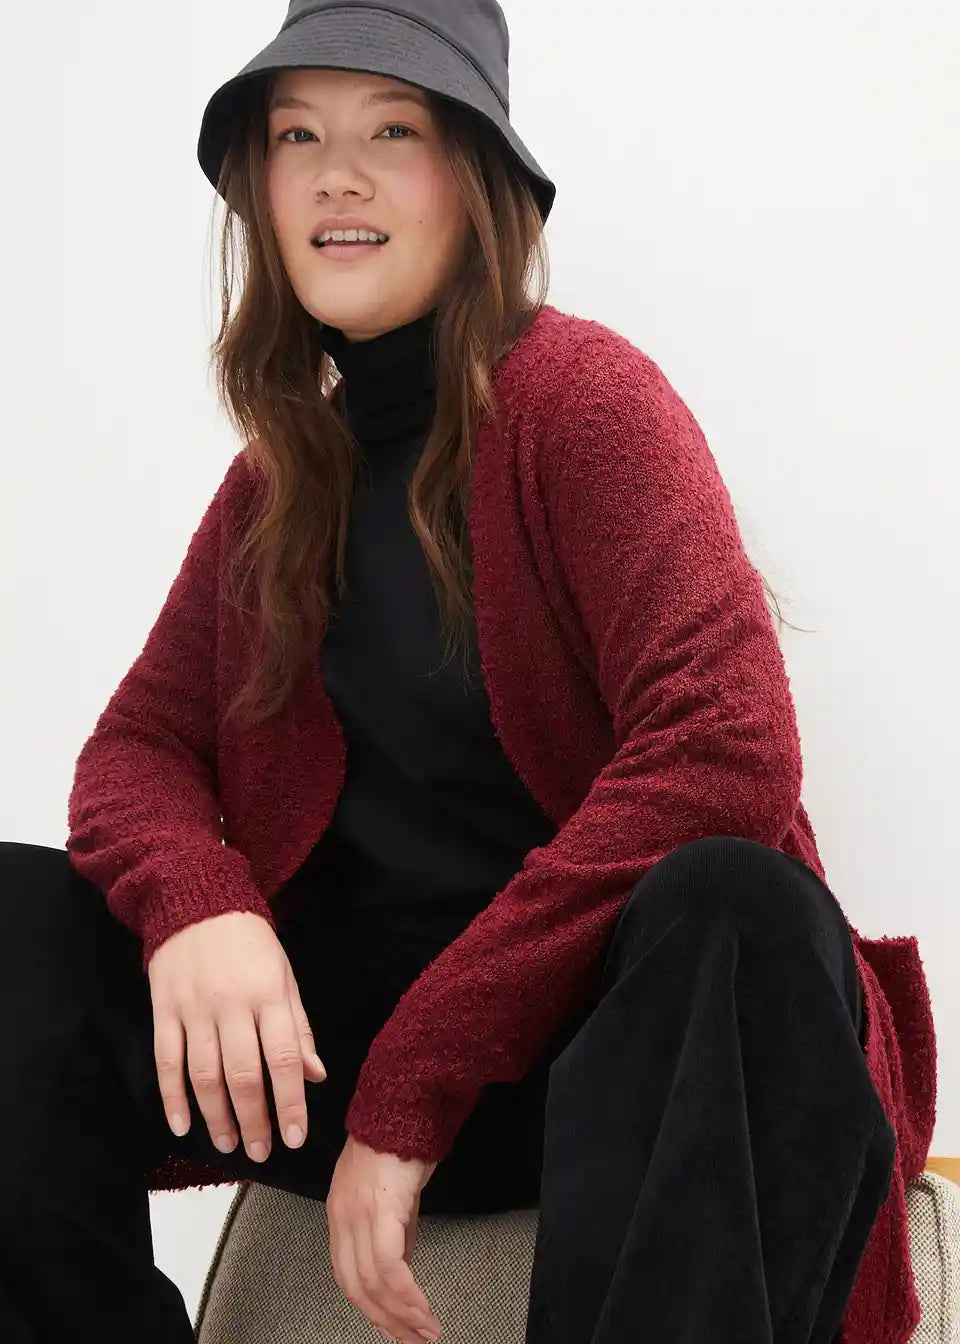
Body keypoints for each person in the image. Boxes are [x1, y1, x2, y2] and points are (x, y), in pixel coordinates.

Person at [0, 2, 938, 1343]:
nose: (337, 176)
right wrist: (202, 904)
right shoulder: (282, 480)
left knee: (739, 901)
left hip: (600, 1056)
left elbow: (726, 749)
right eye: (297, 138)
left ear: (477, 180)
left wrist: (420, 1079)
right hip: (348, 1053)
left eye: (394, 131)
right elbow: (136, 751)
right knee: (15, 914)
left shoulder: (584, 401)